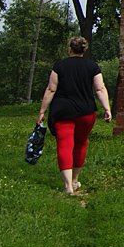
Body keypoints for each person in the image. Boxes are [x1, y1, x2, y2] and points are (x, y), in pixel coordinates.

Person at [37, 37, 112, 195]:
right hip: (86, 111)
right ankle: (74, 180)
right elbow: (100, 89)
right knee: (80, 144)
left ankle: (68, 187)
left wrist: (42, 111)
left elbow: (51, 89)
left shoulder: (60, 66)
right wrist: (107, 108)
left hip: (62, 111)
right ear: (84, 50)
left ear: (69, 49)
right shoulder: (92, 66)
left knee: (64, 145)